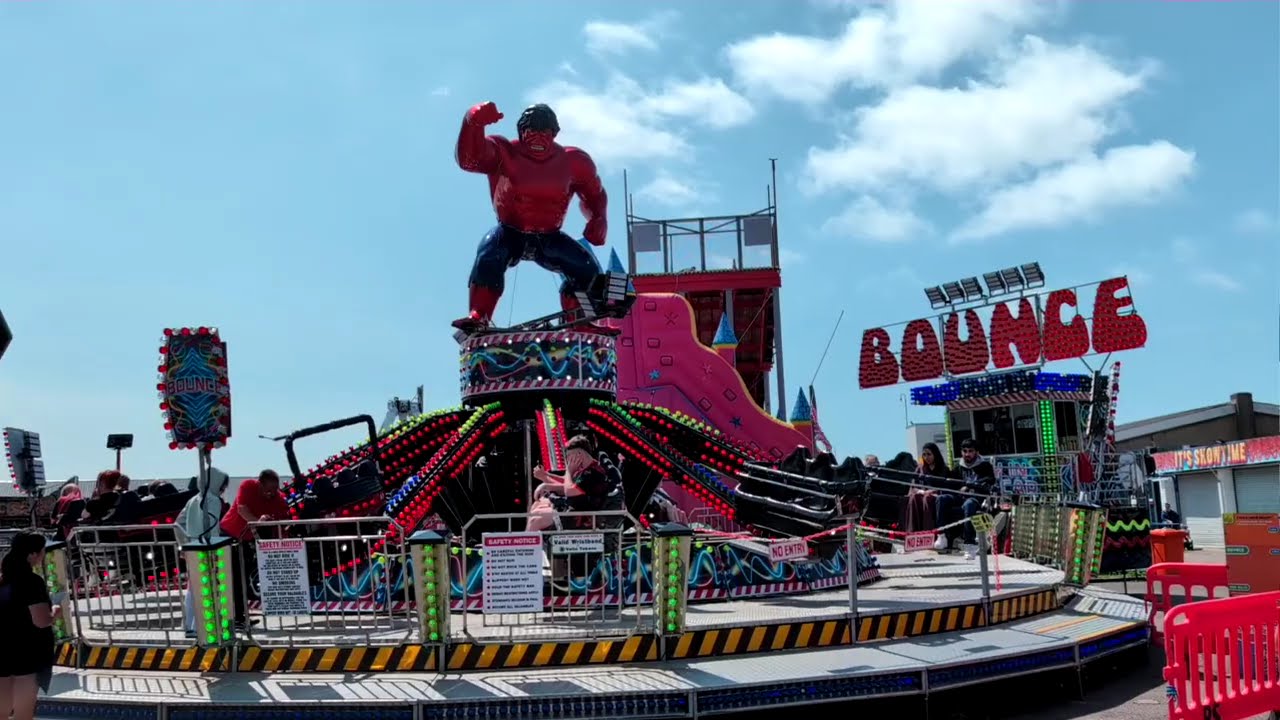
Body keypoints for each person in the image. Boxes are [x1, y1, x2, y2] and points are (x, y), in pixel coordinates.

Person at [452, 101, 608, 332]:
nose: (538, 139)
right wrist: (472, 122)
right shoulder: (504, 151)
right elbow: (469, 160)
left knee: (587, 268)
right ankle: (479, 314)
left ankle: (579, 319)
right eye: (531, 132)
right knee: (488, 254)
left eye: (545, 133)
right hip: (510, 231)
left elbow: (595, 194)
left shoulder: (575, 162)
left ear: (554, 134)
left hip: (549, 236)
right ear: (521, 132)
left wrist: (598, 218)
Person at [0, 531, 58, 720]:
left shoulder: (3, 579)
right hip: (25, 651)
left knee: (2, 709)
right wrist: (55, 612)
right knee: (23, 712)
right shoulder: (32, 582)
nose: (43, 555)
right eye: (42, 551)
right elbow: (40, 621)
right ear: (32, 554)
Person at [220, 470, 290, 625]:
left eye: (274, 490)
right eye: (268, 490)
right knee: (233, 577)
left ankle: (240, 616)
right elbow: (242, 509)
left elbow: (283, 520)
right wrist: (257, 522)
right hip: (228, 535)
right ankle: (232, 617)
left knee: (243, 578)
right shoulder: (248, 486)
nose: (271, 494)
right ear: (260, 483)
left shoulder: (277, 499)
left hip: (246, 539)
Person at [525, 436, 621, 532]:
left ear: (579, 454)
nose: (567, 460)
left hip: (584, 516)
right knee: (539, 504)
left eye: (569, 456)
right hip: (575, 509)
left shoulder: (592, 473)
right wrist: (546, 475)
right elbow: (567, 482)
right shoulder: (584, 469)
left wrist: (568, 471)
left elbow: (569, 490)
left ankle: (525, 545)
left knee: (535, 519)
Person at [176, 467, 230, 637]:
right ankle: (201, 626)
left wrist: (183, 544)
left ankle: (189, 625)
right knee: (207, 588)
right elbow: (212, 526)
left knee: (193, 589)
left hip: (191, 547)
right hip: (207, 548)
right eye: (222, 486)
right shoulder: (213, 500)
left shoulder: (193, 499)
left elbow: (178, 523)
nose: (223, 490)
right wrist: (214, 545)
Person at [934, 439, 997, 558]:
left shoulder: (985, 466)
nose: (967, 454)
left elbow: (990, 480)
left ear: (977, 452)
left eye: (970, 451)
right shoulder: (958, 467)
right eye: (964, 451)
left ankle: (970, 544)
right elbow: (951, 483)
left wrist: (968, 486)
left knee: (969, 504)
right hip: (959, 497)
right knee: (941, 499)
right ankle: (942, 536)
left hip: (976, 499)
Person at [906, 443, 949, 533]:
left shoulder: (943, 469)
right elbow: (913, 487)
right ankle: (912, 531)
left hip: (936, 495)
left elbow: (946, 487)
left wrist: (931, 491)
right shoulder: (919, 469)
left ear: (935, 454)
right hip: (921, 493)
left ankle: (928, 531)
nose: (926, 457)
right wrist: (921, 491)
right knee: (913, 498)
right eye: (924, 455)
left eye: (929, 454)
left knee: (927, 498)